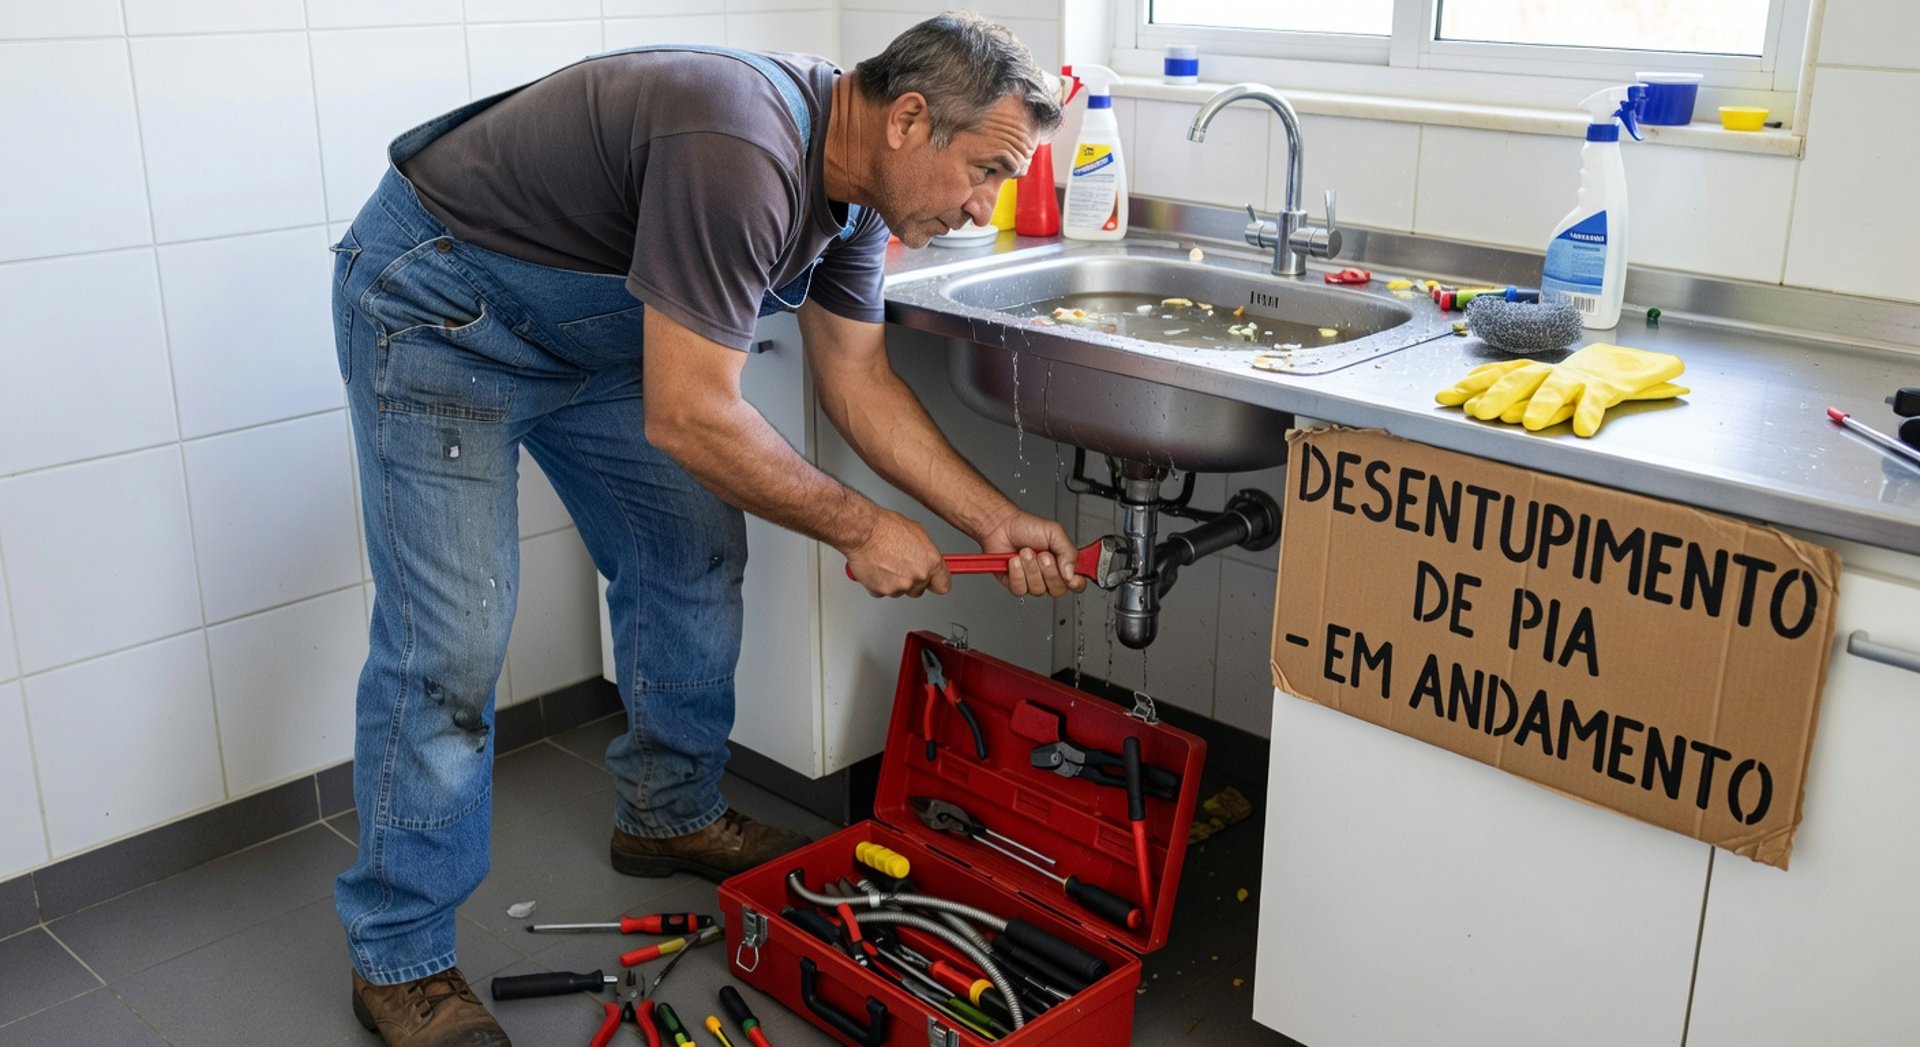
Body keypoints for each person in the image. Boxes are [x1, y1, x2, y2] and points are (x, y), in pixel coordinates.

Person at [328, 13, 1074, 1046]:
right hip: (443, 315)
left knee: (691, 550)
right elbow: (688, 413)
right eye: (985, 171)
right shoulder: (742, 147)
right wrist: (863, 526)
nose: (984, 205)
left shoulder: (853, 203)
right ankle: (400, 958)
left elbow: (858, 380)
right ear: (909, 119)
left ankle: (666, 813)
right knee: (450, 645)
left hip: (586, 346)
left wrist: (1000, 519)